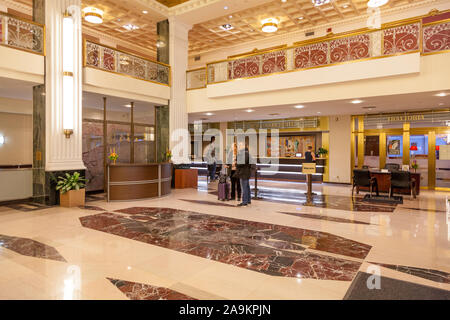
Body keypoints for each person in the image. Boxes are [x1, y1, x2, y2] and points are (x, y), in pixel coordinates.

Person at [236, 141, 252, 207]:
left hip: (243, 173)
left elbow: (242, 162)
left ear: (243, 146)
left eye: (239, 145)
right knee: (247, 187)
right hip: (246, 172)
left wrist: (236, 163)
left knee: (244, 188)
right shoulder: (246, 153)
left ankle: (244, 201)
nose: (238, 147)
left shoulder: (244, 153)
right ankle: (248, 200)